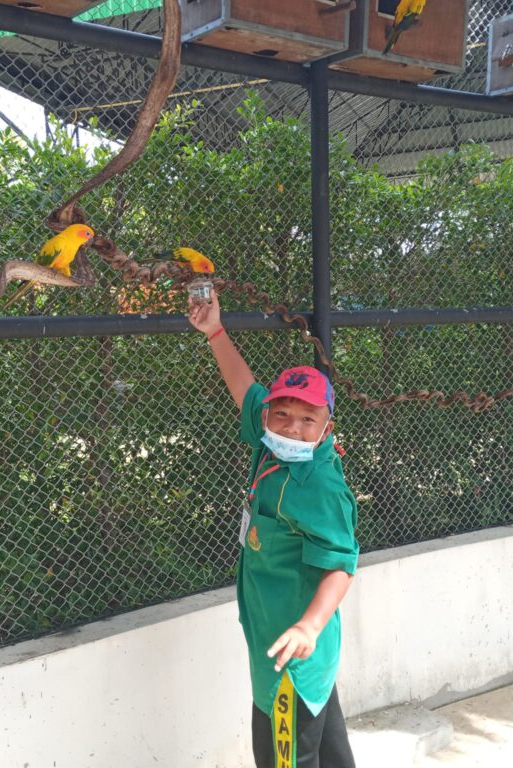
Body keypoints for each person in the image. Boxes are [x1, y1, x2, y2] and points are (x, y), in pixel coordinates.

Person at [188, 292, 359, 768]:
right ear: (266, 417)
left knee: (283, 758)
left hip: (291, 657)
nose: (292, 428)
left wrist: (309, 626)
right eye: (282, 414)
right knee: (328, 747)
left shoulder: (319, 486)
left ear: (327, 428)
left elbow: (341, 564)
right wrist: (215, 331)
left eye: (308, 419)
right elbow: (245, 387)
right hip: (284, 645)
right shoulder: (271, 444)